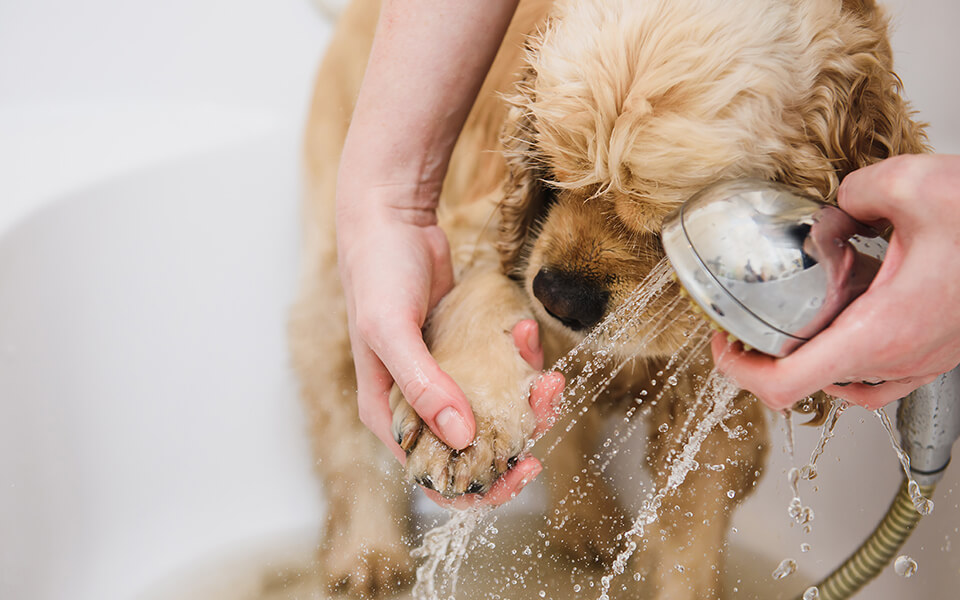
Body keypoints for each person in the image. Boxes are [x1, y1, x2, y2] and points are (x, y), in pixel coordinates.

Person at [338, 0, 960, 503]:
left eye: (663, 219)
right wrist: (389, 200)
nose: (565, 274)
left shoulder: (806, 94)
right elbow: (495, 247)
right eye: (563, 176)